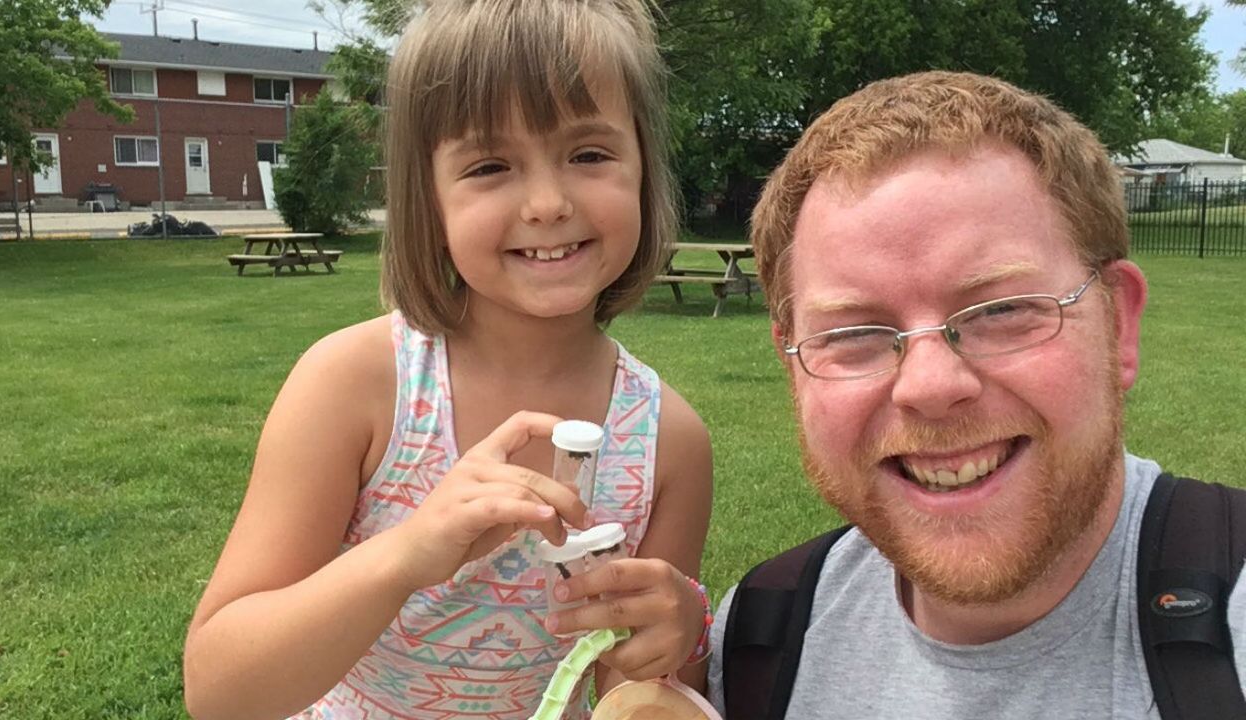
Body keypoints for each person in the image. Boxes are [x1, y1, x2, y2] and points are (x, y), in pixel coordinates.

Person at [182, 1, 714, 718]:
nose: (549, 202)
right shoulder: (356, 384)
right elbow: (219, 691)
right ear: (428, 201)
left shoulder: (670, 444)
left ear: (644, 169)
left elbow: (626, 693)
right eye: (491, 165)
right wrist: (408, 553)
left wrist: (676, 636)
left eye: (589, 154)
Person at [707, 71, 1246, 718]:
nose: (931, 385)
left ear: (1119, 325)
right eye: (853, 333)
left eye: (1002, 309)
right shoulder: (756, 640)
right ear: (792, 367)